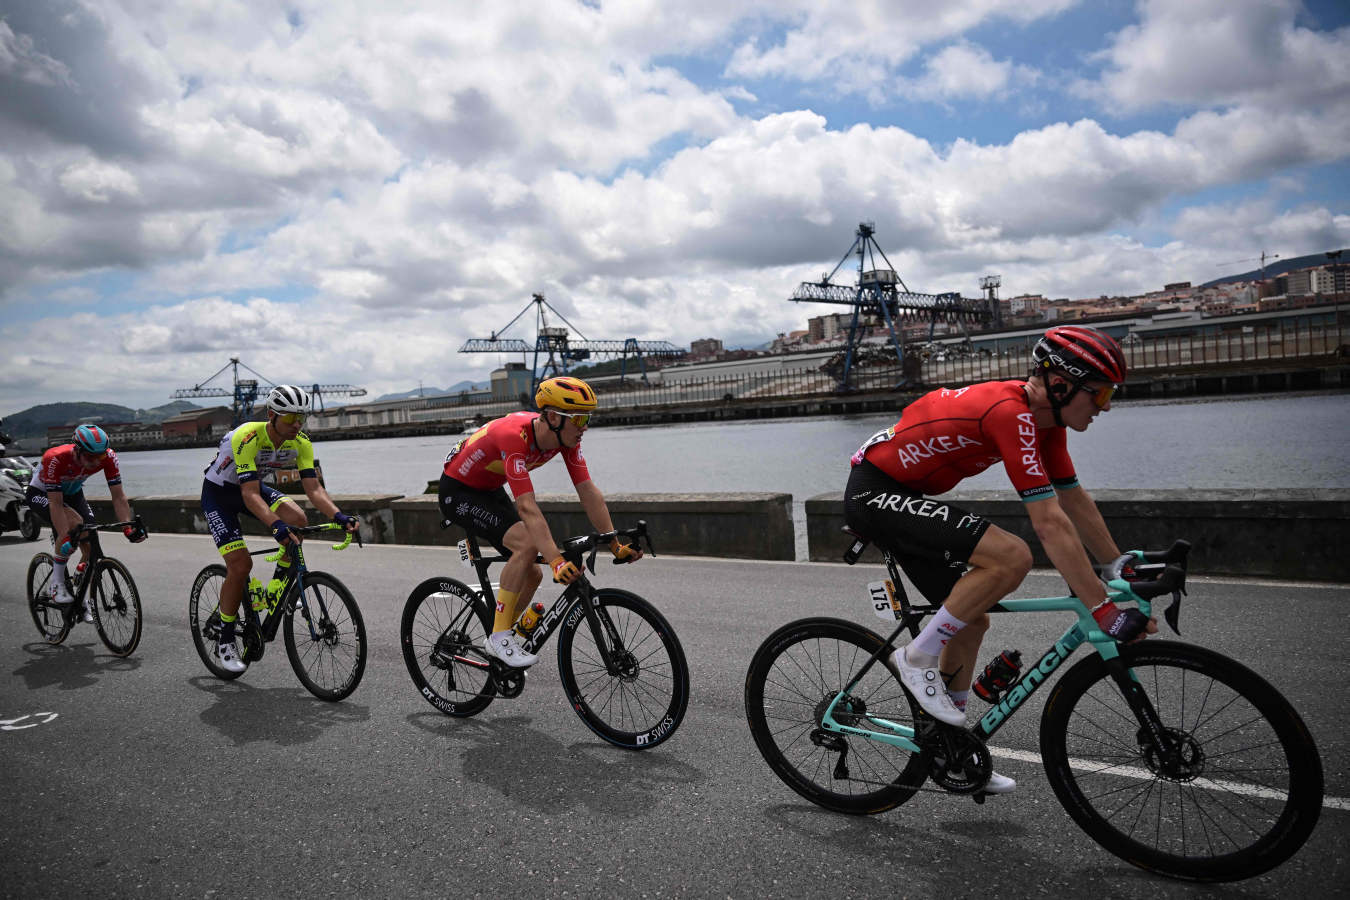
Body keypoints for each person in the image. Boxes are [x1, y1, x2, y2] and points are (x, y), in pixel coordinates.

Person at [843, 325, 1156, 795]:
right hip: (876, 492)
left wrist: (1116, 566)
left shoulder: (1044, 423)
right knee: (1011, 556)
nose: (1106, 406)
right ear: (1062, 384)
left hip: (903, 493)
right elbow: (1049, 523)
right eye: (1101, 393)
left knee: (970, 621)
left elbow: (1073, 499)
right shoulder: (1010, 413)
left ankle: (950, 746)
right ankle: (915, 655)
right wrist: (1103, 609)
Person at [439, 375, 641, 667]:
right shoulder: (514, 436)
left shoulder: (566, 439)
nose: (584, 427)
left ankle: (498, 631)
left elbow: (587, 490)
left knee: (532, 572)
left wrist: (613, 541)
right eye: (579, 419)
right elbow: (527, 506)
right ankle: (499, 638)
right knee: (526, 545)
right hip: (457, 491)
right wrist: (557, 561)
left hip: (488, 489)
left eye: (588, 419)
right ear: (552, 417)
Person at [200, 385, 359, 674]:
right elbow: (249, 495)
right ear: (272, 415)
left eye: (302, 418)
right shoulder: (247, 436)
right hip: (220, 494)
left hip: (252, 488)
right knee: (240, 564)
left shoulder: (300, 442)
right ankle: (224, 640)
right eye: (290, 419)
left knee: (298, 519)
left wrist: (339, 516)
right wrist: (275, 526)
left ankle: (275, 589)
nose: (297, 424)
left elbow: (313, 489)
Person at [26, 424, 147, 620]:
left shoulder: (108, 457)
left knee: (91, 544)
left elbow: (118, 496)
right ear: (77, 450)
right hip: (42, 494)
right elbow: (55, 504)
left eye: (99, 456)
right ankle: (57, 583)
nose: (95, 461)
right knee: (74, 523)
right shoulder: (55, 458)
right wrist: (65, 536)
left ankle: (80, 596)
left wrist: (127, 526)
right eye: (90, 456)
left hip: (73, 494)